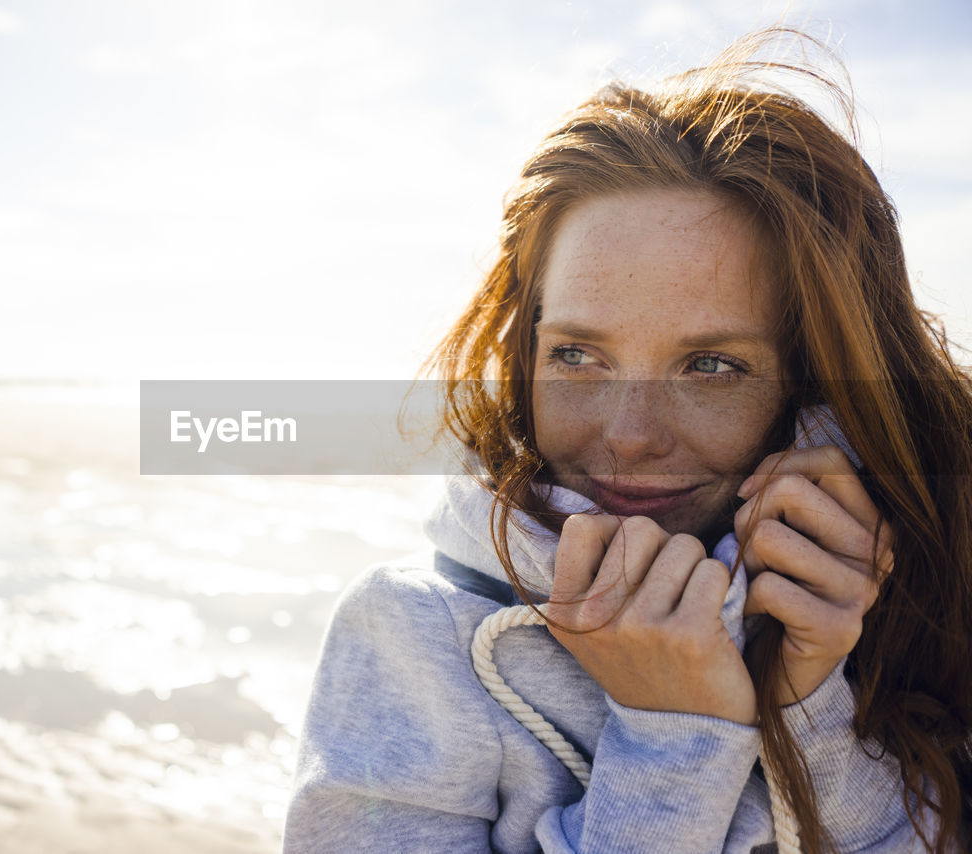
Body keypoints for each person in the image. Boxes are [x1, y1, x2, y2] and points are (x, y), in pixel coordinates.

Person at [283, 27, 972, 854]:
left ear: (813, 390)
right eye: (577, 355)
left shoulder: (910, 597)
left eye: (711, 366)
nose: (629, 437)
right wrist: (672, 740)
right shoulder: (411, 639)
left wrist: (813, 704)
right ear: (523, 352)